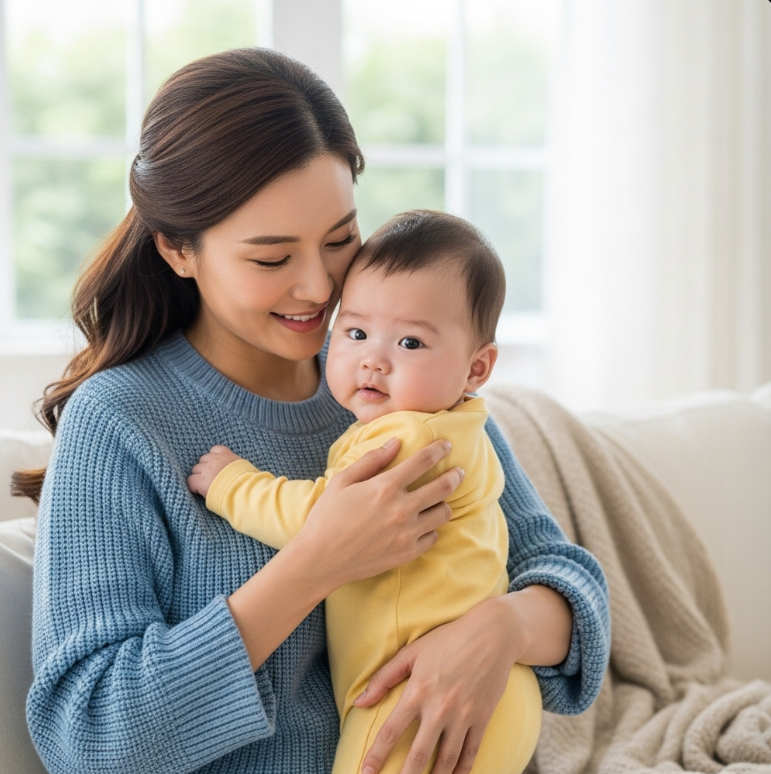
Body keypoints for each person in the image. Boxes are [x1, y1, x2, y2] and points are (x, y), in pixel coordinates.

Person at [15, 48, 610, 774]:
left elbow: (566, 584)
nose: (317, 287)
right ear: (177, 248)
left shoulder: (396, 380)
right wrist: (316, 562)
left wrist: (502, 628)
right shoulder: (122, 422)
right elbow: (90, 735)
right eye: (270, 259)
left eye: (338, 241)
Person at [188, 209, 542, 774]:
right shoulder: (456, 421)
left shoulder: (407, 435)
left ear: (477, 367)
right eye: (354, 332)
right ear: (181, 249)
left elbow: (320, 523)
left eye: (409, 342)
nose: (373, 359)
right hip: (503, 695)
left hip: (411, 693)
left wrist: (232, 485)